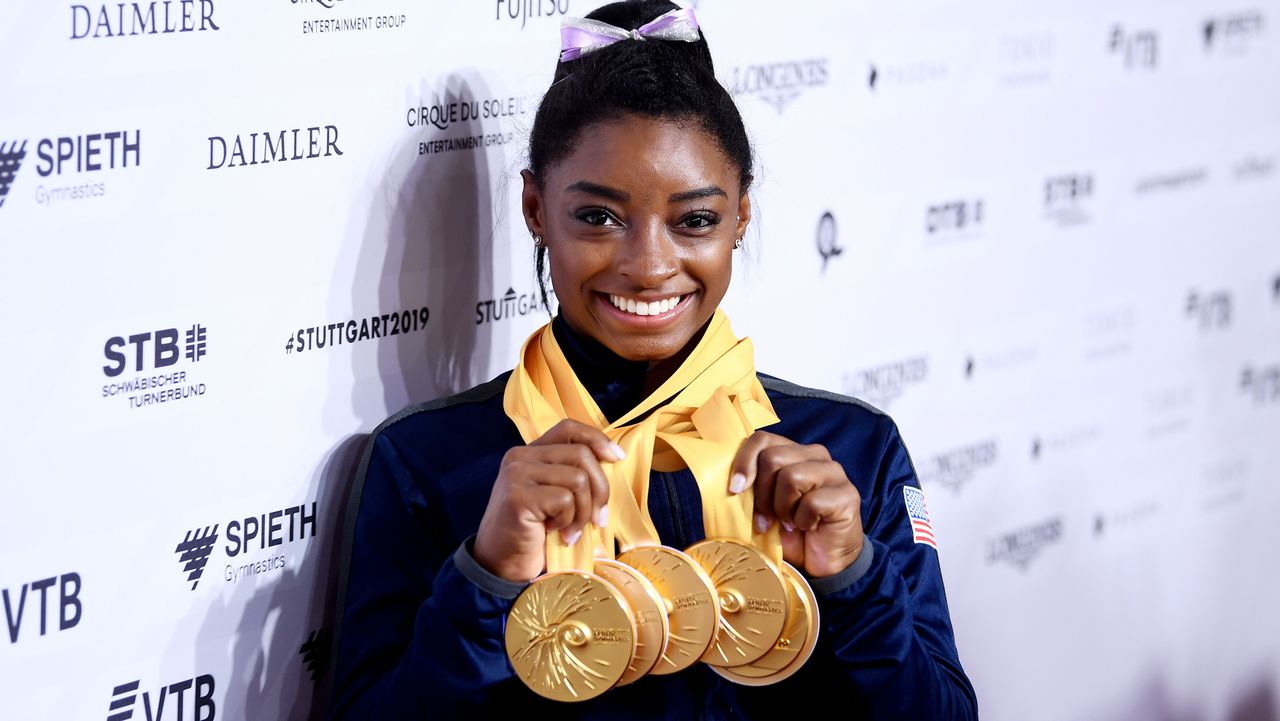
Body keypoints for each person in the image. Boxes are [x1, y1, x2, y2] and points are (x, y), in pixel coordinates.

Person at [327, 2, 977, 718]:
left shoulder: (850, 449)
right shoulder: (426, 459)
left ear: (741, 217)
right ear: (537, 209)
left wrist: (852, 577)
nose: (647, 265)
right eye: (598, 217)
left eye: (694, 219)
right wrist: (485, 578)